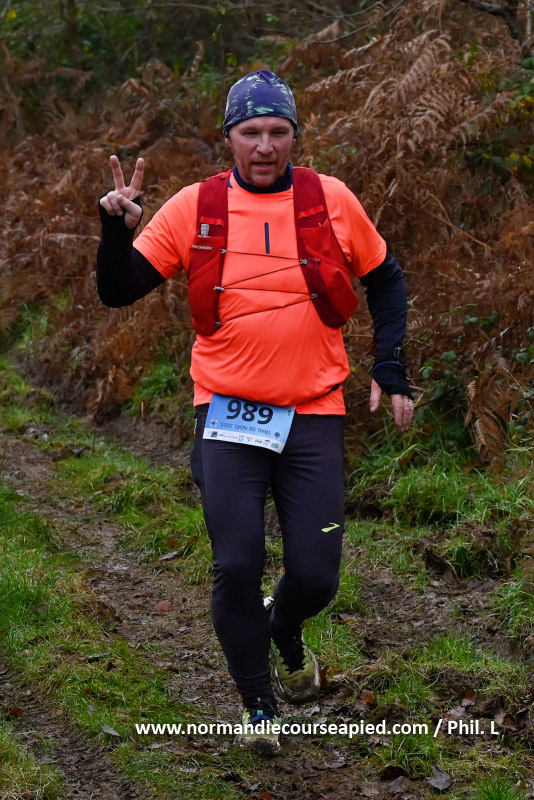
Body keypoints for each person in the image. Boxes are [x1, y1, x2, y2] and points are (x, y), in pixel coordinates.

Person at [97, 69, 413, 754]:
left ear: (294, 135)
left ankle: (284, 628)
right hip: (226, 414)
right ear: (229, 138)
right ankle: (259, 706)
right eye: (250, 132)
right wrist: (115, 232)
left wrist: (390, 367)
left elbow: (386, 279)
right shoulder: (195, 207)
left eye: (277, 131)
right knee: (236, 563)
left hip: (314, 412)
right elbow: (118, 290)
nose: (264, 146)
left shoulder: (329, 200)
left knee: (317, 574)